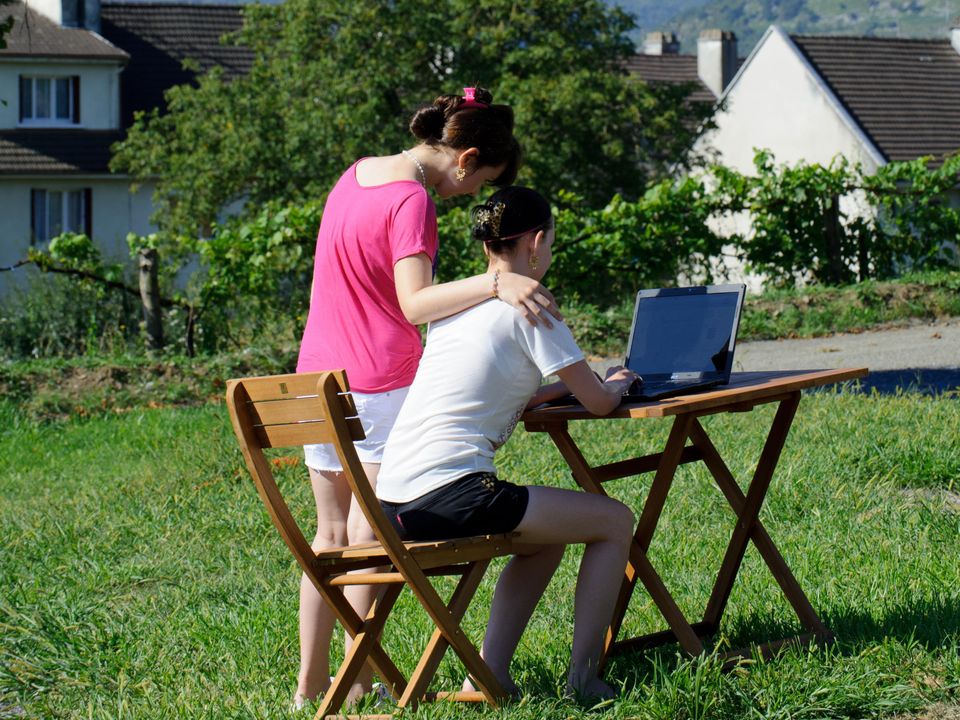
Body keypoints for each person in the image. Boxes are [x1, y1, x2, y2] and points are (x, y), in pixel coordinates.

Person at [294, 88, 562, 708]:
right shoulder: (413, 198)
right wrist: (498, 280)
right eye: (480, 182)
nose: (468, 197)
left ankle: (312, 685)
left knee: (331, 535)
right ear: (465, 159)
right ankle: (359, 677)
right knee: (374, 539)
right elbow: (414, 304)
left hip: (317, 380)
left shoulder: (354, 175)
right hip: (379, 384)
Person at [376, 186, 639, 701]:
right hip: (453, 494)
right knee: (613, 521)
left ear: (486, 249)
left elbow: (495, 386)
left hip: (394, 501)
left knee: (542, 544)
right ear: (536, 243)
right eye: (551, 243)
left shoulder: (453, 310)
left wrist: (564, 385)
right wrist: (617, 383)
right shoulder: (532, 307)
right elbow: (603, 403)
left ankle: (489, 675)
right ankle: (584, 680)